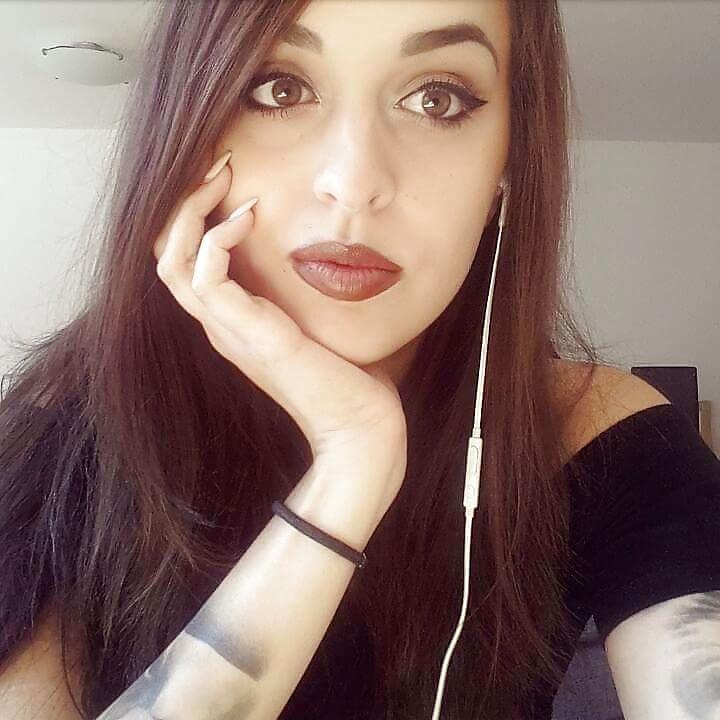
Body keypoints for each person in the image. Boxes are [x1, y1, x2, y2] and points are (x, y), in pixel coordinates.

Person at [1, 1, 718, 719]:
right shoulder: (63, 428)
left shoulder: (596, 434)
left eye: (437, 99)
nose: (353, 182)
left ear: (507, 163)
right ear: (184, 135)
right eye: (279, 88)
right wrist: (351, 466)